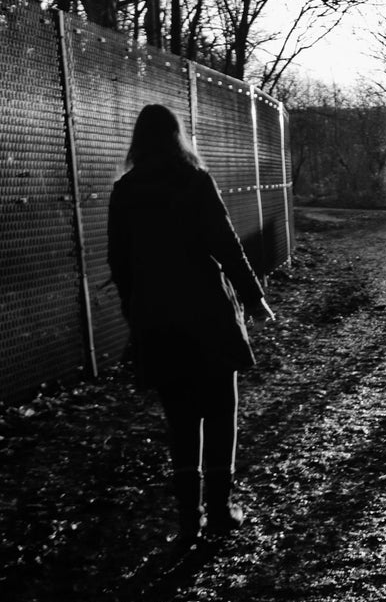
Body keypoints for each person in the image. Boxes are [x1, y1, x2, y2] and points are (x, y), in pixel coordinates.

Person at [107, 104, 275, 545]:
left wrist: (135, 312)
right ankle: (220, 509)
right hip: (207, 312)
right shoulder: (194, 180)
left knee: (179, 419)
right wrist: (254, 297)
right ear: (179, 136)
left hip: (157, 319)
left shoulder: (125, 190)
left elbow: (118, 262)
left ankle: (188, 517)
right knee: (221, 410)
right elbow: (225, 242)